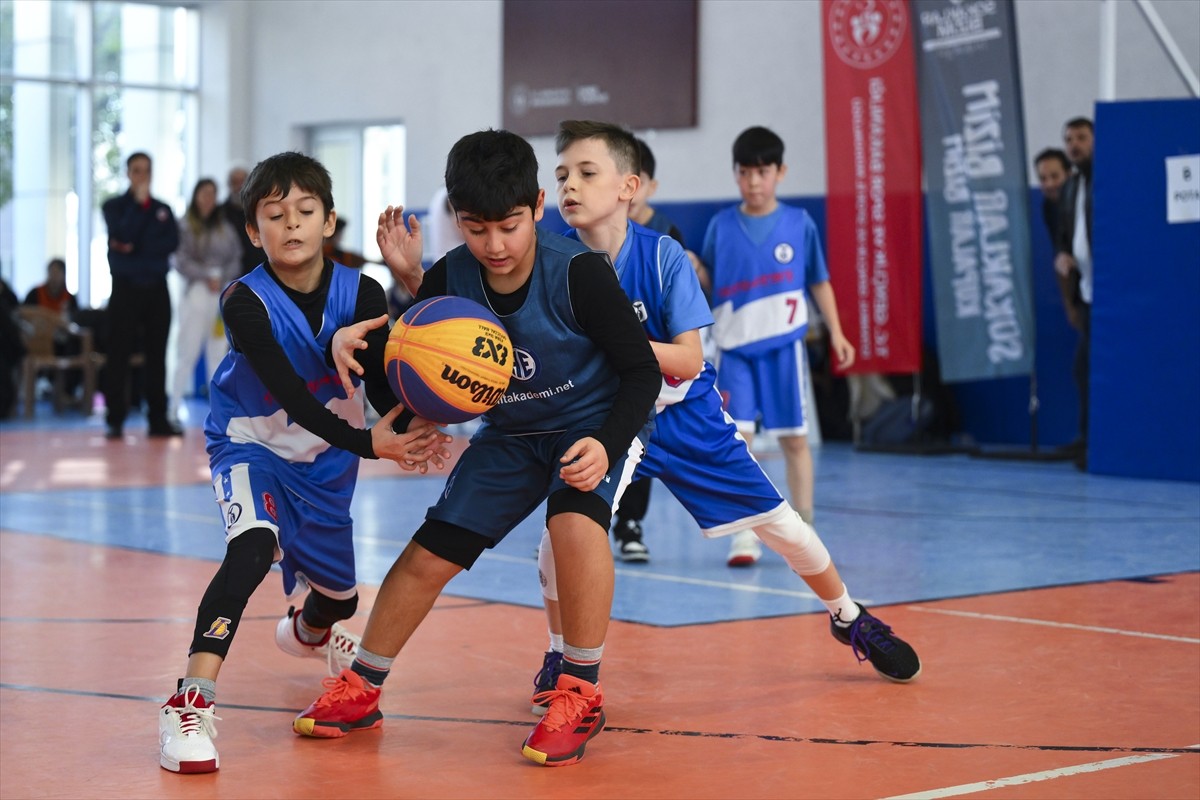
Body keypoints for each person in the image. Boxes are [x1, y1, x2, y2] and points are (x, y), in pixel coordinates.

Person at [293, 129, 660, 768]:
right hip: (511, 435)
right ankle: (362, 686)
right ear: (456, 219)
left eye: (509, 226)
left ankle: (580, 690)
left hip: (592, 424)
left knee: (573, 523)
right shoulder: (451, 275)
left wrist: (606, 442)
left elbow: (642, 373)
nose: (494, 245)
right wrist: (390, 396)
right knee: (428, 551)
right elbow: (416, 369)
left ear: (538, 206)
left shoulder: (578, 272)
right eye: (476, 227)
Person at [529, 119, 919, 713]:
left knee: (784, 528)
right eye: (561, 176)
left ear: (630, 186)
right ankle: (561, 653)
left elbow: (687, 357)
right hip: (609, 420)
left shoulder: (664, 258)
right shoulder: (553, 263)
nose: (570, 186)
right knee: (557, 540)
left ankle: (847, 615)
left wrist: (612, 342)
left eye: (587, 173)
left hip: (685, 415)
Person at [156, 151, 451, 775]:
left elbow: (378, 387)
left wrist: (415, 420)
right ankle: (189, 703)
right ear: (252, 232)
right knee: (252, 548)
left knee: (340, 600)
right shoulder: (244, 302)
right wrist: (373, 443)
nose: (291, 224)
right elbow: (290, 392)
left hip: (325, 463)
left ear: (329, 220)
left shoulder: (364, 292)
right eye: (274, 214)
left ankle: (310, 628)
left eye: (305, 211)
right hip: (250, 445)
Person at [701, 126, 855, 566]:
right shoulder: (721, 226)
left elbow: (818, 281)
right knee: (738, 441)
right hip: (734, 352)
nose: (753, 181)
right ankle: (744, 535)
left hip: (784, 350)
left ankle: (804, 528)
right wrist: (693, 268)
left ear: (780, 172)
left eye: (762, 172)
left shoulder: (798, 223)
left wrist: (838, 332)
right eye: (745, 172)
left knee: (794, 440)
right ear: (735, 175)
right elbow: (710, 283)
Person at [101, 151, 181, 439]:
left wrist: (135, 248)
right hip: (124, 290)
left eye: (146, 170)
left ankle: (157, 419)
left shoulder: (163, 209)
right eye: (136, 170)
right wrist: (137, 209)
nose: (141, 176)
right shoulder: (114, 207)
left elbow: (169, 245)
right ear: (128, 173)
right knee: (118, 354)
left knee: (156, 355)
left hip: (156, 290)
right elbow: (122, 237)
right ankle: (115, 419)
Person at [170, 178, 243, 420]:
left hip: (219, 295)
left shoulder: (224, 228)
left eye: (212, 193)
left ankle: (220, 413)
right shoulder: (185, 226)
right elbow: (179, 258)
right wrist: (204, 275)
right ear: (195, 196)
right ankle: (173, 407)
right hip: (196, 294)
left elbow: (236, 256)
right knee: (187, 351)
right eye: (204, 193)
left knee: (218, 353)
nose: (208, 199)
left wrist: (223, 278)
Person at [1053, 118, 1094, 467]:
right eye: (1069, 139)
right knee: (1082, 368)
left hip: (1112, 293)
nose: (1074, 145)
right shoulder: (1071, 186)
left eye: (1081, 137)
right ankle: (1086, 438)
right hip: (1087, 291)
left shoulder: (1108, 179)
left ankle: (1095, 440)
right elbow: (1069, 238)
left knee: (1091, 367)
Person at [1034, 148, 1081, 334]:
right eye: (1043, 179)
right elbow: (1060, 258)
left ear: (1070, 174)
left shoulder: (1088, 200)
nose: (1049, 184)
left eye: (1055, 176)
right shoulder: (1049, 206)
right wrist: (1069, 306)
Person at [22, 257, 83, 399]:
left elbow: (75, 323)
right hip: (37, 342)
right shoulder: (35, 294)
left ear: (64, 275)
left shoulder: (70, 298)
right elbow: (23, 315)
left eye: (58, 273)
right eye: (52, 272)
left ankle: (67, 392)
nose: (54, 277)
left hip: (61, 343)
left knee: (75, 347)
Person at [219, 165, 267, 278]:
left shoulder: (260, 209)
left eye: (243, 181)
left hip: (258, 269)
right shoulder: (220, 213)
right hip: (229, 274)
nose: (239, 186)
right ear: (229, 184)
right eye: (235, 182)